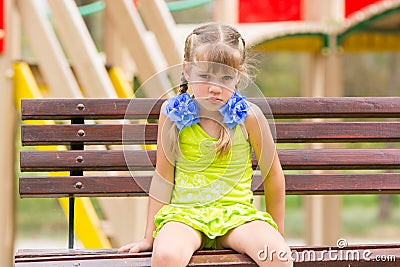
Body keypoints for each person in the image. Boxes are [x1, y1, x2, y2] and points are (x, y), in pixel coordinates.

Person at [119, 22, 292, 267]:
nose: (214, 87)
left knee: (278, 256)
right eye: (205, 76)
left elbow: (273, 175)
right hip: (185, 215)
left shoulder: (249, 117)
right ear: (187, 71)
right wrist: (149, 236)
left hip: (236, 215)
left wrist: (276, 233)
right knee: (166, 255)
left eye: (225, 77)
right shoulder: (171, 115)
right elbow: (163, 176)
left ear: (238, 76)